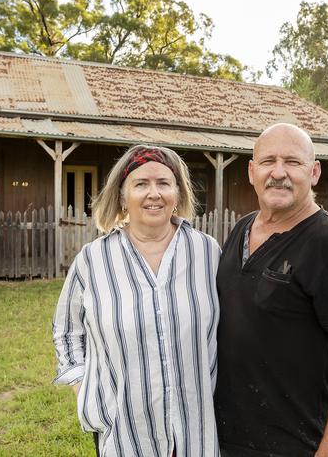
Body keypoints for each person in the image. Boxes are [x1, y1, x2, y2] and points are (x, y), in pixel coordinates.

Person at [214, 123, 328, 457]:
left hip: (292, 443)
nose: (278, 173)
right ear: (251, 171)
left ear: (314, 172)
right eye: (267, 161)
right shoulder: (242, 228)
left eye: (293, 162)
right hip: (223, 435)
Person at [53, 145, 221, 456]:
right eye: (141, 184)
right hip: (125, 432)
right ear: (121, 196)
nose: (153, 193)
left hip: (196, 429)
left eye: (163, 183)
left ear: (178, 194)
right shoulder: (93, 259)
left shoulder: (207, 252)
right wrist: (85, 390)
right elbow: (66, 331)